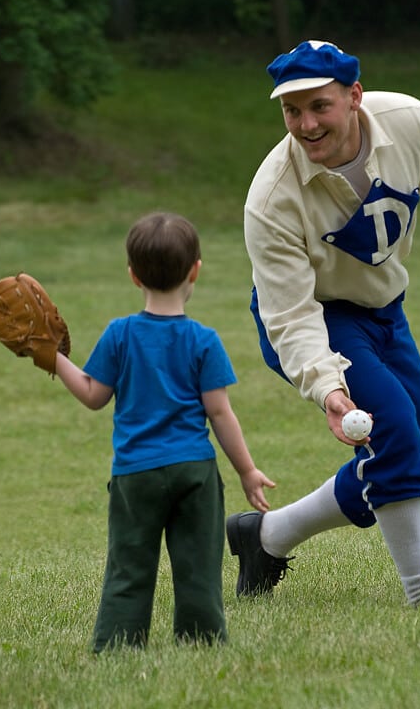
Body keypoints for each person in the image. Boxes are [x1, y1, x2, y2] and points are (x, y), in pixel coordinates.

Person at [226, 40, 420, 606]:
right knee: (394, 434)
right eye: (291, 111)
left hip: (385, 310)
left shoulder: (411, 124)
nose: (305, 124)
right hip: (318, 322)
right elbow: (290, 314)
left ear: (354, 97)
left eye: (318, 106)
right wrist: (327, 386)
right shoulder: (272, 196)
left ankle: (266, 537)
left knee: (411, 460)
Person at [55, 211, 275, 651]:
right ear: (196, 269)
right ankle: (201, 639)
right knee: (198, 564)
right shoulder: (204, 340)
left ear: (133, 275)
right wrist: (247, 471)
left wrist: (52, 356)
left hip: (136, 475)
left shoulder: (120, 334)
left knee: (129, 564)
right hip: (194, 471)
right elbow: (220, 414)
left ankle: (118, 644)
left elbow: (94, 395)